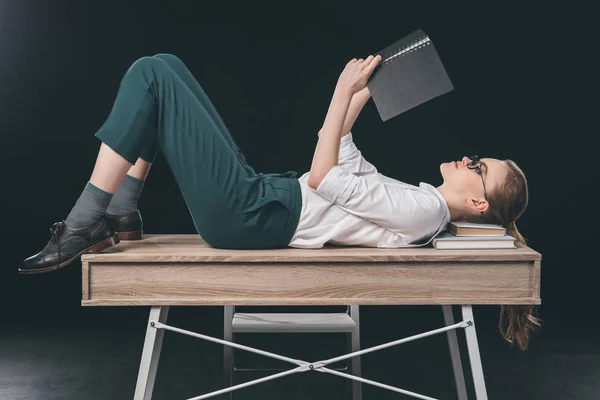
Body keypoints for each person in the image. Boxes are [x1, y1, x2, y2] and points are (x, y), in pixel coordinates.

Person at [18, 53, 540, 350]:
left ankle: (86, 221)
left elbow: (322, 176)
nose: (470, 160)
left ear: (477, 202)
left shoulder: (426, 213)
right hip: (261, 200)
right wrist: (371, 89)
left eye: (480, 168)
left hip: (252, 213)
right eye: (478, 158)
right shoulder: (420, 202)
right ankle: (120, 215)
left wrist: (341, 91)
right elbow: (339, 152)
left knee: (152, 77)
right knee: (163, 68)